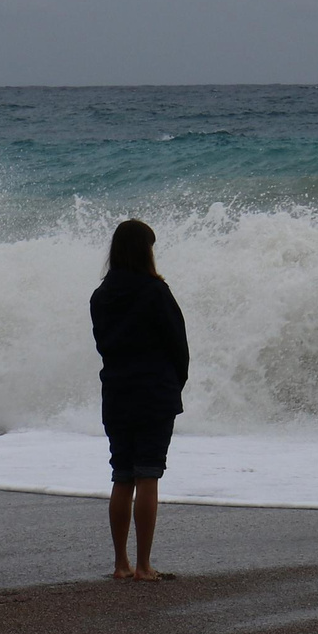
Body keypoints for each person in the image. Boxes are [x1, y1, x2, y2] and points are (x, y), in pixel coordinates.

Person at [90, 218, 189, 581]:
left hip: (116, 391)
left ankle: (120, 565)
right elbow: (177, 345)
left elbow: (104, 345)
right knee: (148, 475)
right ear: (145, 251)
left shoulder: (100, 296)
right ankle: (144, 566)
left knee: (122, 475)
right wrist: (176, 382)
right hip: (153, 392)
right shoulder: (155, 291)